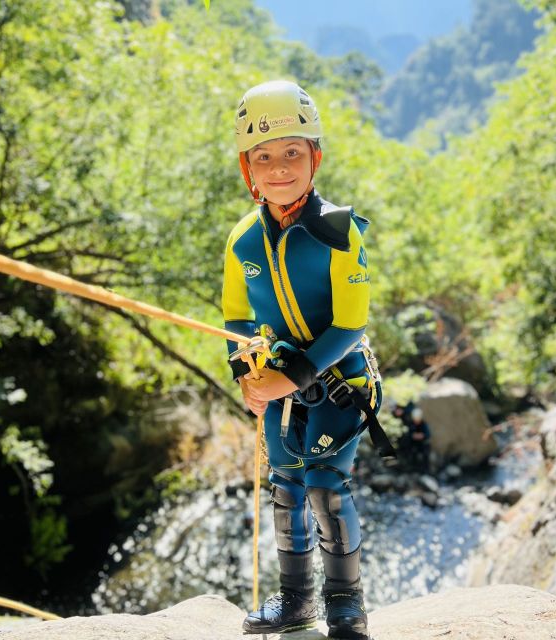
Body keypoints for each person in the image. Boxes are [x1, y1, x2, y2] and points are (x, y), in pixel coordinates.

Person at [222, 80, 381, 640]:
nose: (278, 168)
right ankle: (295, 603)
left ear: (315, 157)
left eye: (292, 152)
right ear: (248, 170)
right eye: (262, 157)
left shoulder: (340, 232)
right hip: (279, 384)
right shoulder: (243, 241)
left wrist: (292, 376)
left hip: (338, 380)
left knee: (324, 487)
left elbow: (350, 324)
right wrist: (249, 376)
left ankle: (346, 606)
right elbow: (237, 322)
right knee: (286, 487)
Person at [394, 403, 431, 474]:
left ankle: (425, 470)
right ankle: (412, 469)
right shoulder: (411, 423)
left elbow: (427, 434)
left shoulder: (423, 424)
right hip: (413, 444)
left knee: (424, 455)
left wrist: (419, 436)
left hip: (423, 444)